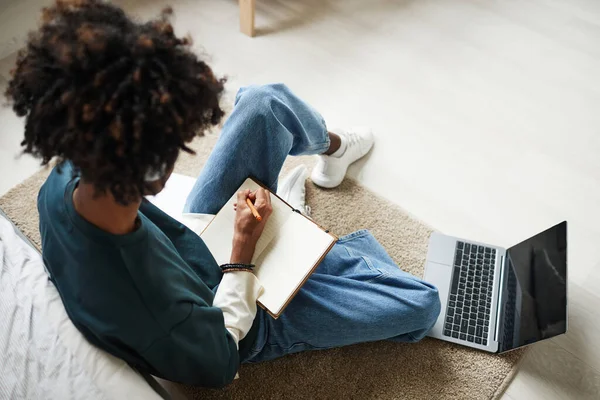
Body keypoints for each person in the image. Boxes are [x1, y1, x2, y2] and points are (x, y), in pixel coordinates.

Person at [5, 0, 440, 388]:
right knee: (421, 304)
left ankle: (333, 151)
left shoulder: (64, 175)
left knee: (264, 104)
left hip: (198, 237)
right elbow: (221, 364)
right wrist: (242, 254)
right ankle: (314, 242)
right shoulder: (155, 310)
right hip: (246, 321)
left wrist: (233, 240)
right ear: (152, 168)